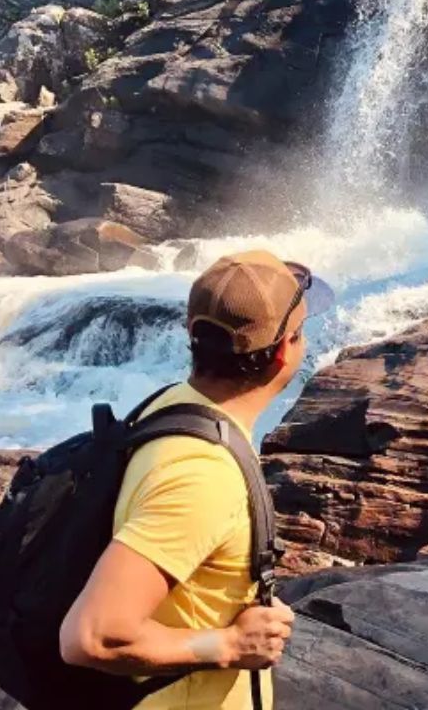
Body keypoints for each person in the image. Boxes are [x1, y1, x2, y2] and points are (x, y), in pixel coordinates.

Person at [56, 250, 334, 709]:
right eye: (303, 332)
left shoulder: (171, 406)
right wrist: (227, 645)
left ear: (193, 335)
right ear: (285, 350)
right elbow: (92, 635)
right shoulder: (201, 472)